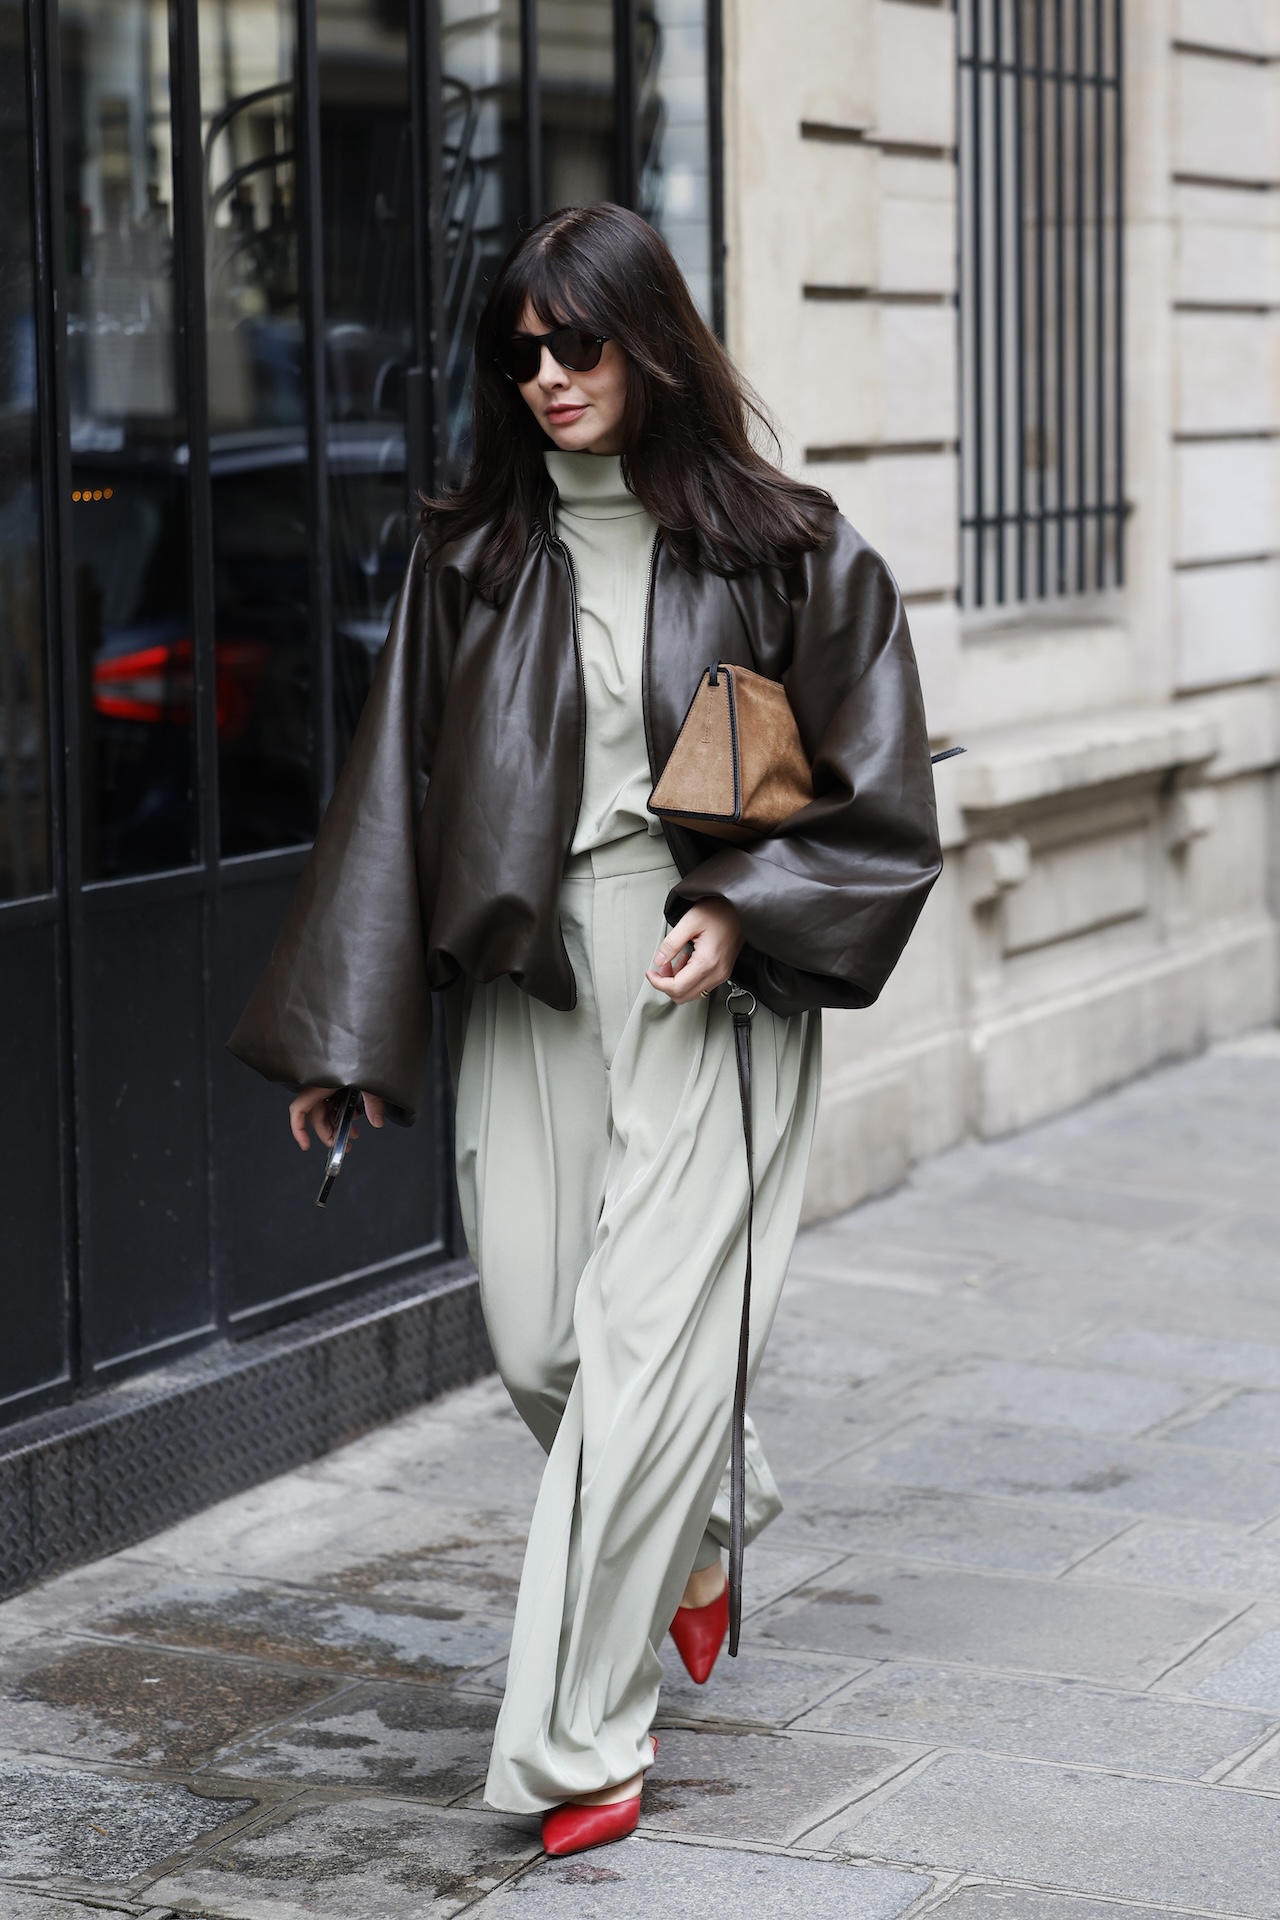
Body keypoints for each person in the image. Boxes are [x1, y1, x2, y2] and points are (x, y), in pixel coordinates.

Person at [228, 202, 941, 1856]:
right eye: (520, 352)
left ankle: (579, 1743)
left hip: (712, 979)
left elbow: (881, 800)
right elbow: (392, 804)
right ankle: (708, 1513)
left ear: (652, 344)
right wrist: (347, 1035)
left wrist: (742, 905)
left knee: (630, 1360)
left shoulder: (792, 549)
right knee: (546, 1345)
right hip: (529, 977)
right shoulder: (471, 557)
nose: (547, 377)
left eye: (580, 344)